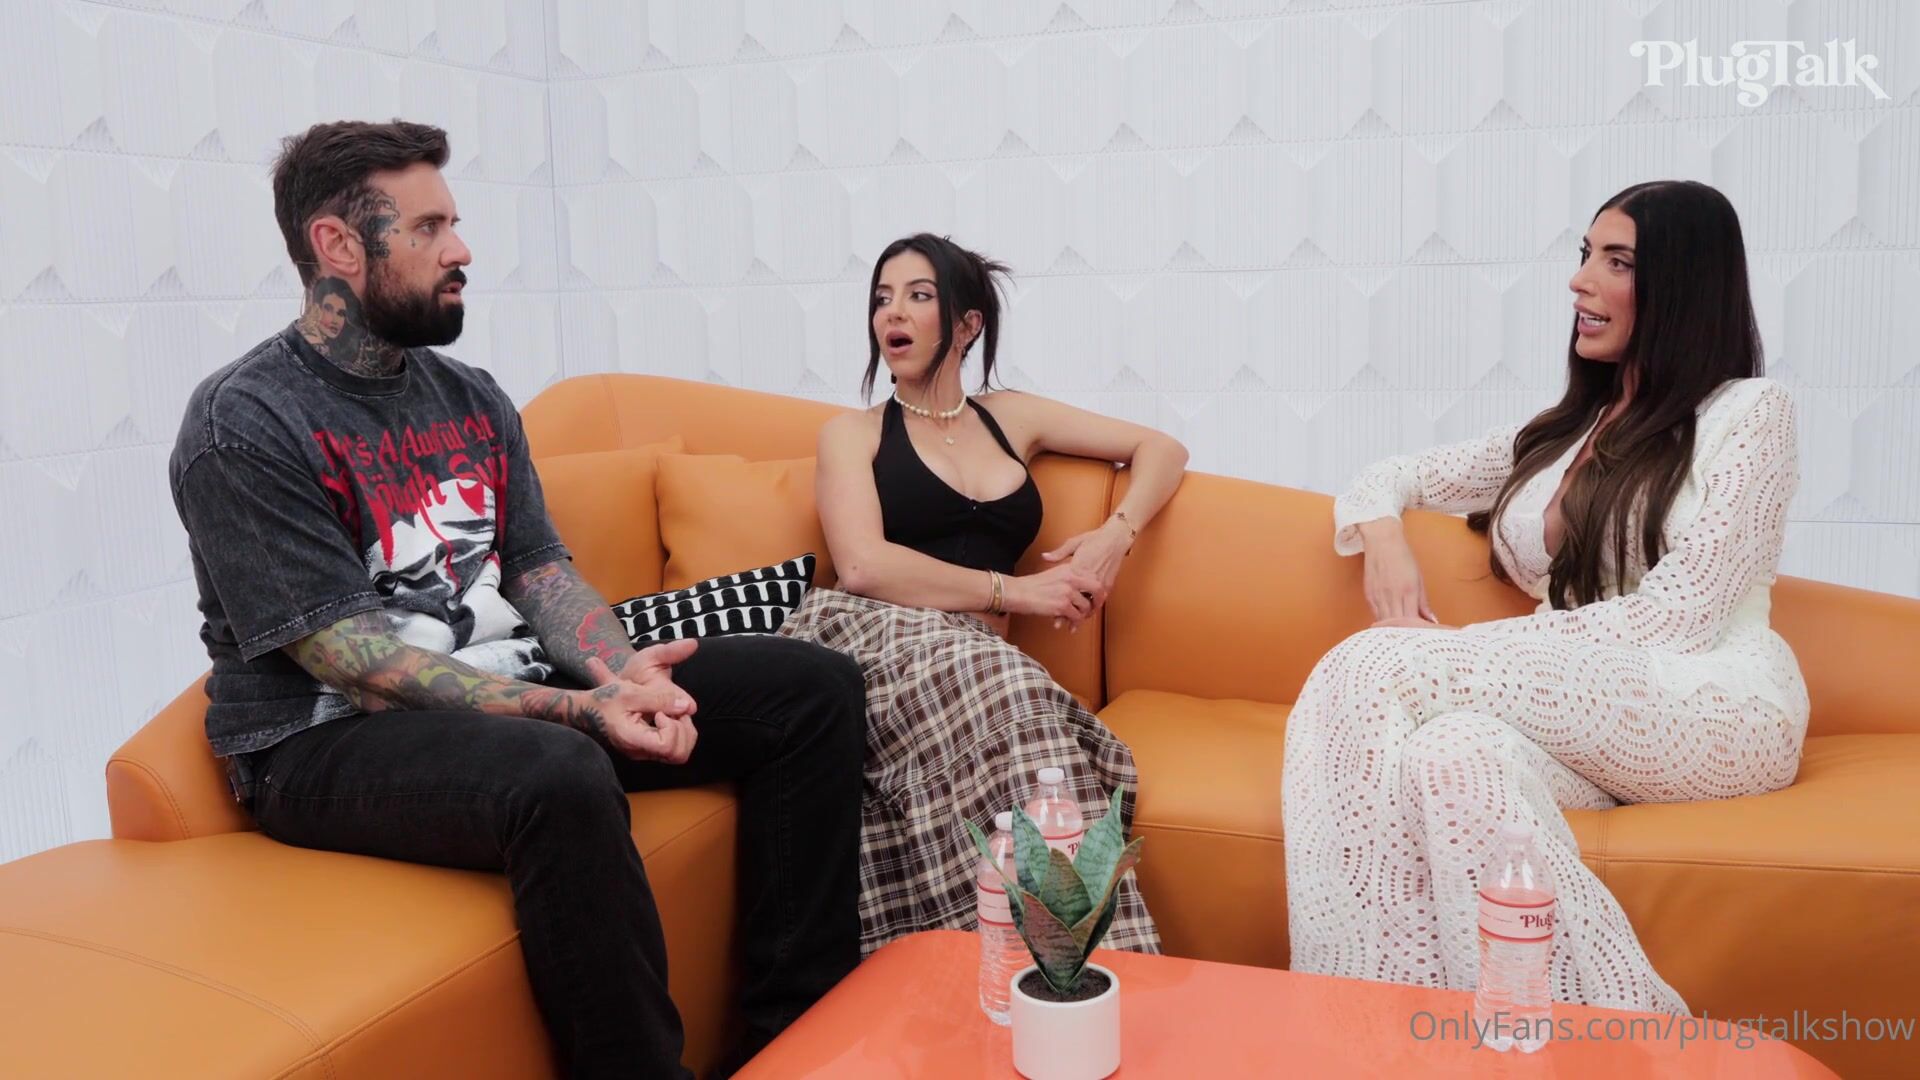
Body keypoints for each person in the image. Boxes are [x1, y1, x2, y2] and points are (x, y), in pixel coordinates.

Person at [168, 119, 865, 1079]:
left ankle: (796, 1041)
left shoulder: (470, 396)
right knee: (558, 771)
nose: (461, 250)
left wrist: (625, 675)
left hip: (501, 687)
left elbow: (538, 571)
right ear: (337, 246)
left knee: (812, 689)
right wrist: (581, 712)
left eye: (453, 222)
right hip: (324, 742)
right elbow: (353, 662)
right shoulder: (244, 422)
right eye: (428, 227)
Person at [1282, 180, 1805, 1014]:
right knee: (1450, 753)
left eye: (1618, 262)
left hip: (1715, 698)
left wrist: (1455, 650)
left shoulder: (1750, 413)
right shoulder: (1566, 432)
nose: (1580, 280)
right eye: (1586, 254)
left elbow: (1680, 616)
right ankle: (1605, 1037)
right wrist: (1383, 538)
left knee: (1369, 664)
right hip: (1592, 711)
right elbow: (1393, 475)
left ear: (1683, 286)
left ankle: (1350, 1025)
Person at [783, 233, 1189, 955]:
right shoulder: (852, 434)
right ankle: (1091, 963)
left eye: (918, 296)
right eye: (881, 298)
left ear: (968, 324)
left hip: (973, 662)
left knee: (1010, 695)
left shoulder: (1011, 418)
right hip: (873, 637)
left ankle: (1058, 964)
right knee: (1014, 690)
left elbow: (1162, 448)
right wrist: (1019, 593)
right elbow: (863, 566)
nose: (891, 313)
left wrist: (1113, 537)